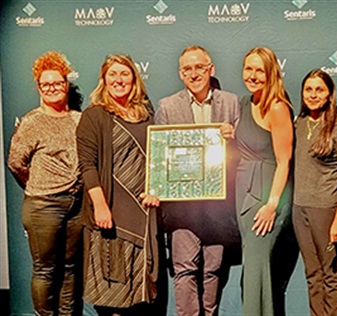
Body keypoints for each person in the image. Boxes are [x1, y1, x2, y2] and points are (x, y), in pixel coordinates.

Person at [154, 45, 240, 316]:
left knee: (213, 269)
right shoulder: (167, 106)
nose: (194, 73)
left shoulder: (231, 102)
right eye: (187, 69)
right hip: (182, 208)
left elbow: (246, 151)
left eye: (199, 67)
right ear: (181, 73)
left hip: (218, 205)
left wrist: (233, 138)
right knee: (184, 270)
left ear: (210, 69)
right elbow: (159, 158)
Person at [76, 54, 161, 316]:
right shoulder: (94, 115)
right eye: (112, 74)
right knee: (112, 293)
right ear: (103, 80)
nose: (118, 80)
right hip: (111, 215)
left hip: (142, 213)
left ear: (134, 79)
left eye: (125, 73)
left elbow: (159, 158)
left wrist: (158, 190)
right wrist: (100, 206)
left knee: (138, 295)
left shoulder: (147, 114)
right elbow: (87, 165)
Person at [8, 50, 84, 316]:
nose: (52, 88)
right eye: (46, 84)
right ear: (39, 87)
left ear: (66, 84)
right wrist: (40, 185)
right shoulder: (31, 122)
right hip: (43, 205)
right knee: (45, 269)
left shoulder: (78, 119)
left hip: (77, 204)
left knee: (72, 266)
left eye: (58, 82)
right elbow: (16, 163)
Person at [235, 47, 296, 315]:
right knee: (251, 271)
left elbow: (284, 161)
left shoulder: (277, 107)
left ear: (271, 73)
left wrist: (272, 205)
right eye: (249, 68)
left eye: (259, 70)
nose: (253, 75)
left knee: (259, 272)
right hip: (244, 194)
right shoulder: (243, 103)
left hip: (268, 196)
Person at [293, 69, 337, 316]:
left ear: (329, 94)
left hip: (327, 211)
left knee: (330, 274)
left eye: (319, 89)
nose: (313, 94)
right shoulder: (298, 124)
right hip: (300, 209)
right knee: (312, 274)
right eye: (308, 89)